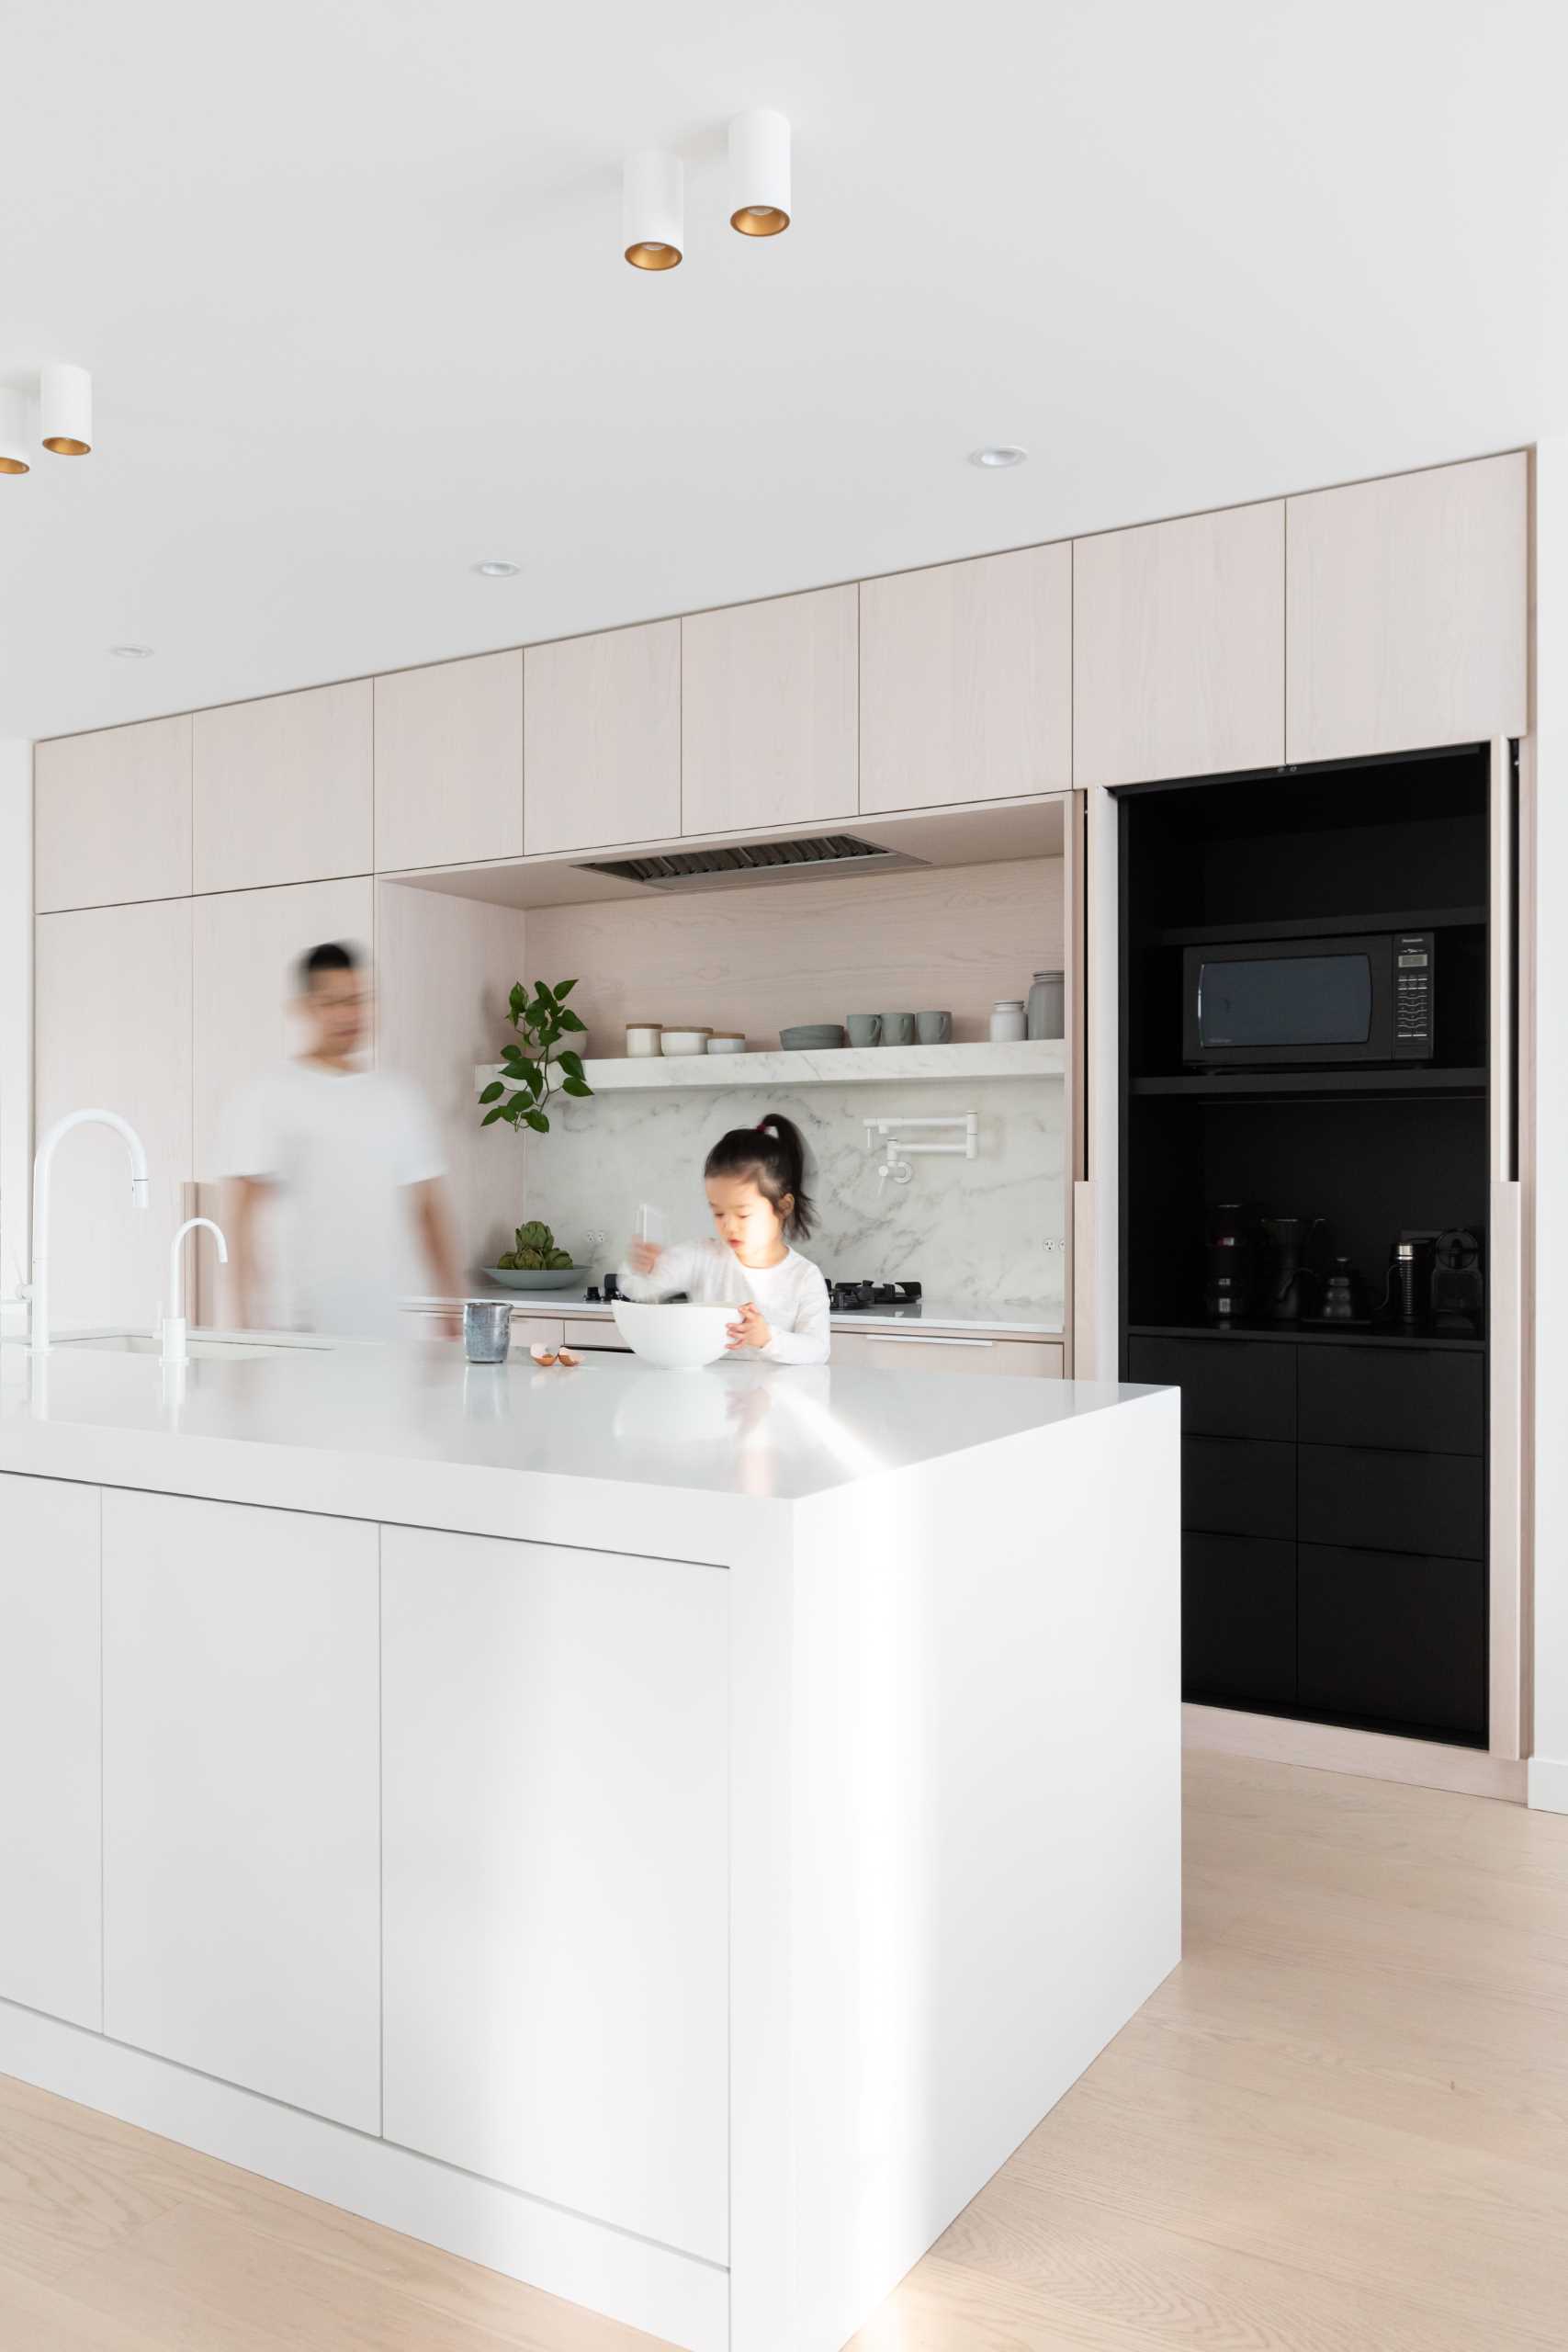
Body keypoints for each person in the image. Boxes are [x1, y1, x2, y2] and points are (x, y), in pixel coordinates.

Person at [223, 942, 462, 1339]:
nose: (348, 1014)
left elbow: (430, 1211)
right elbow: (241, 1217)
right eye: (331, 1002)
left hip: (383, 1326)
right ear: (303, 1008)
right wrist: (242, 1327)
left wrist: (453, 1311)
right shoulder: (268, 1096)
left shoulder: (398, 1097)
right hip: (297, 1330)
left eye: (357, 1000)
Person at [620, 1113, 830, 1363]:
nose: (729, 1226)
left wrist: (768, 1338)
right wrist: (643, 1268)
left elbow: (818, 1350)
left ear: (784, 1206)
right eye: (718, 1212)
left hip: (777, 1399)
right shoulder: (702, 1256)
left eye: (743, 1214)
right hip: (709, 1396)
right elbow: (641, 1289)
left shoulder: (805, 1277)